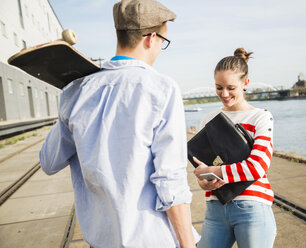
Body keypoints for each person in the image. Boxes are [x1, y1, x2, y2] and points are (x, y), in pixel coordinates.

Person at [39, 0, 199, 247]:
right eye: (162, 43)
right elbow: (170, 181)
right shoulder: (161, 89)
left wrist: (68, 107)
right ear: (150, 38)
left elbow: (49, 162)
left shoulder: (76, 90)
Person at [193, 48, 277, 248]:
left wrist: (213, 171)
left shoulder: (261, 117)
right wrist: (204, 182)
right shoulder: (208, 120)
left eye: (231, 87)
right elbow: (202, 168)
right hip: (215, 208)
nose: (224, 94)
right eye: (219, 87)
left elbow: (257, 167)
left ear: (246, 83)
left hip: (252, 207)